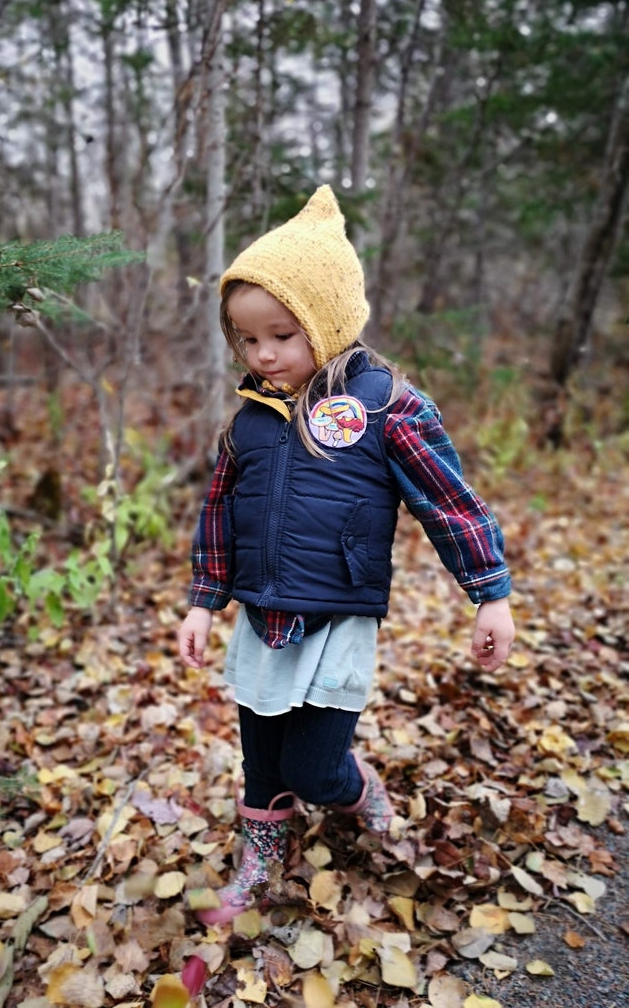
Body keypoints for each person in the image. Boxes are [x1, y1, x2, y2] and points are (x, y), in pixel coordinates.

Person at [177, 185, 515, 925]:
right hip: (263, 612)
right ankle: (261, 850)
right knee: (262, 756)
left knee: (310, 764)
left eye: (282, 335)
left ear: (326, 323)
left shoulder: (384, 403)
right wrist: (205, 600)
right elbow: (217, 511)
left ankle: (355, 788)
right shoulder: (251, 421)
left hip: (338, 615)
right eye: (248, 339)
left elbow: (445, 497)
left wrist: (489, 589)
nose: (263, 354)